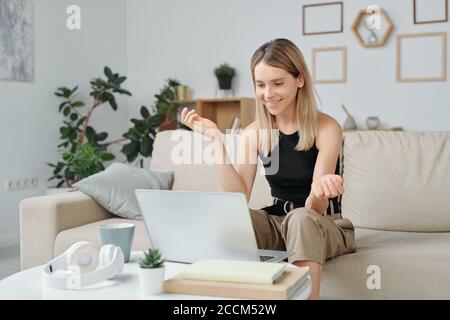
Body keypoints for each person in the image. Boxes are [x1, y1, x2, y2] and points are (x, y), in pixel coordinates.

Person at [181, 38, 356, 300]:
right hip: (279, 222)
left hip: (321, 223)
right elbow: (238, 199)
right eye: (260, 85)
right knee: (229, 220)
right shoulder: (253, 133)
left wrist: (321, 190)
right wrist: (217, 140)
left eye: (277, 83)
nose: (268, 94)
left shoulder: (326, 128)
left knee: (301, 219)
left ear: (299, 80)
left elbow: (314, 209)